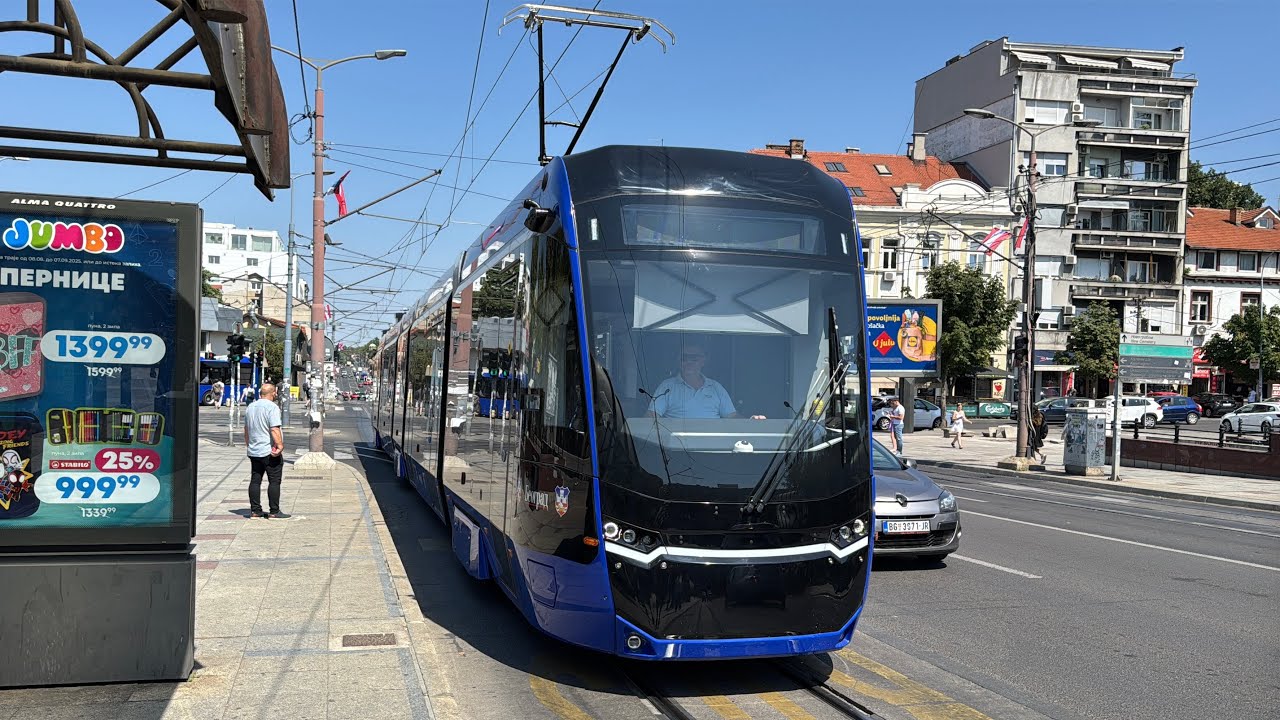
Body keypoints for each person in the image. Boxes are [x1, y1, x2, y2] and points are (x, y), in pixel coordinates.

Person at [647, 341, 765, 420]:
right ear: (678, 361)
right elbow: (651, 417)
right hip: (676, 449)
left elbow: (732, 417)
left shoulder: (716, 387)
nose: (689, 362)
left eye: (694, 358)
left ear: (703, 361)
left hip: (712, 447)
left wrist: (750, 422)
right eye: (685, 358)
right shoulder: (667, 386)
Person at [243, 383, 288, 519]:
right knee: (274, 481)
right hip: (269, 451)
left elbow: (246, 429)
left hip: (254, 450)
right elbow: (274, 428)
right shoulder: (272, 407)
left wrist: (249, 444)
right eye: (275, 393)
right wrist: (279, 446)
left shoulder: (250, 407)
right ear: (273, 393)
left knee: (255, 480)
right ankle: (274, 511)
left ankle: (255, 510)